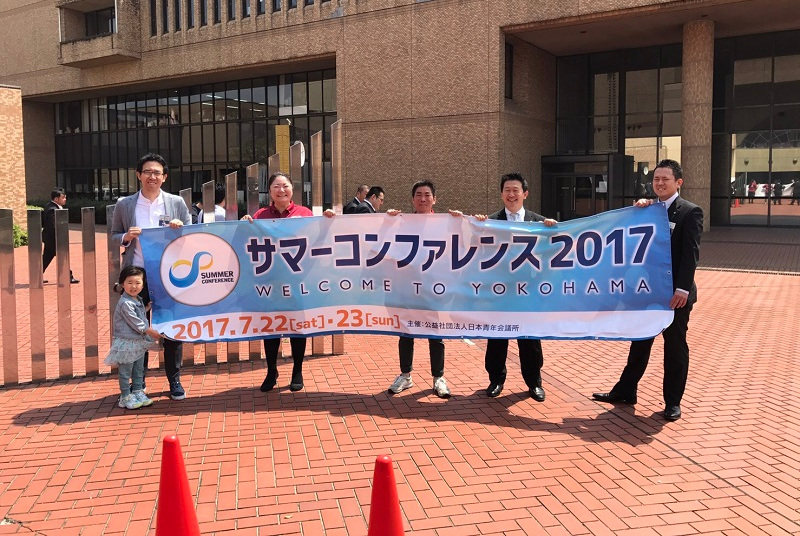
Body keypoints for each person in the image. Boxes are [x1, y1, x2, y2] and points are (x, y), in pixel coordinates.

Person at [593, 159, 703, 422]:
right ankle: (626, 391)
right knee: (640, 342)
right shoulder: (647, 210)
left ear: (678, 182)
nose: (660, 183)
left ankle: (673, 402)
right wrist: (638, 211)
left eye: (665, 179)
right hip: (649, 292)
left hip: (675, 296)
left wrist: (682, 289)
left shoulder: (690, 212)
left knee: (675, 347)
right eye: (656, 179)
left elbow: (691, 255)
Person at [242, 172, 335, 392]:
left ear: (292, 189)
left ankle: (297, 370)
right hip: (270, 282)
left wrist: (327, 221)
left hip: (297, 282)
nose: (281, 190)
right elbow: (248, 244)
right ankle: (271, 371)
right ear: (269, 191)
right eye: (276, 186)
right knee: (271, 329)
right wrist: (244, 225)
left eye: (285, 186)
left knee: (297, 328)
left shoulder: (305, 214)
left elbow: (318, 241)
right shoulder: (261, 215)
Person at [110, 153, 191, 400]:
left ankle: (174, 380)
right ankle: (139, 381)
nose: (152, 176)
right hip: (138, 276)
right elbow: (114, 235)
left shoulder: (176, 202)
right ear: (138, 175)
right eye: (147, 172)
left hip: (169, 274)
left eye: (157, 172)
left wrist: (180, 227)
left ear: (164, 177)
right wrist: (127, 237)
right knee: (138, 329)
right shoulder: (125, 204)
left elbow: (191, 232)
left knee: (172, 328)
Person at [474, 173, 557, 401]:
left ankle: (534, 383)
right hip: (499, 290)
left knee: (529, 339)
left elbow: (555, 250)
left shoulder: (539, 223)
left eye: (516, 190)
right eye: (507, 190)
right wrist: (477, 225)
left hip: (527, 291)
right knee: (497, 338)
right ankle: (496, 380)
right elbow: (474, 245)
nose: (511, 194)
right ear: (501, 194)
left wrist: (553, 229)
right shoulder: (490, 222)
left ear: (525, 194)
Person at [387, 180, 458, 399]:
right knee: (406, 333)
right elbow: (382, 243)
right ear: (412, 199)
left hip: (433, 289)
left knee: (435, 335)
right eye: (418, 195)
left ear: (434, 199)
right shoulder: (401, 223)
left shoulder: (444, 224)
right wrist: (386, 222)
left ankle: (438, 378)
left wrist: (460, 222)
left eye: (427, 195)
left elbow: (464, 244)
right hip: (407, 288)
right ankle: (405, 375)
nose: (423, 199)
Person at [105, 266, 160, 410]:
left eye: (137, 282)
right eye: (129, 282)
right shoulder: (126, 303)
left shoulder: (137, 300)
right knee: (125, 371)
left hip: (137, 342)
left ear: (143, 285)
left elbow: (138, 314)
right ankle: (125, 397)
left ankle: (137, 392)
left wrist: (147, 308)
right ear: (122, 284)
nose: (134, 286)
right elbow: (136, 322)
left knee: (138, 369)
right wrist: (151, 332)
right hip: (127, 342)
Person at [42, 187, 79, 284]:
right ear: (56, 199)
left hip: (50, 239)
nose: (65, 199)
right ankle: (68, 277)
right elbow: (53, 226)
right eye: (63, 197)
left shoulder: (51, 206)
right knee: (62, 257)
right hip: (54, 239)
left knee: (46, 258)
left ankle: (36, 276)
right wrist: (60, 238)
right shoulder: (52, 209)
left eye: (65, 197)